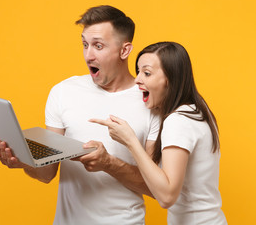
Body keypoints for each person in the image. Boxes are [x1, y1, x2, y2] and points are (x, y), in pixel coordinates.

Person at [0, 5, 160, 224]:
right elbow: (47, 173)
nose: (88, 55)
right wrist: (22, 162)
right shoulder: (63, 92)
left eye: (98, 46)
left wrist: (109, 163)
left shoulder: (151, 100)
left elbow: (156, 188)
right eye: (85, 44)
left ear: (124, 50)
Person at [90, 41, 227, 224]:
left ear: (169, 80)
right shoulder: (198, 111)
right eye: (138, 71)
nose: (138, 79)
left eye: (147, 73)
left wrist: (130, 140)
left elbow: (167, 196)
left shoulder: (178, 121)